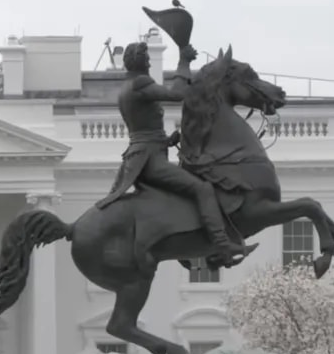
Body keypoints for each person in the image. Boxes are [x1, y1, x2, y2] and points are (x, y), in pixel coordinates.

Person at [94, 40, 257, 269]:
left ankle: (186, 248)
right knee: (202, 188)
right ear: (141, 62)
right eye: (148, 58)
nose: (150, 62)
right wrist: (184, 60)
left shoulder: (126, 86)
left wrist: (167, 141)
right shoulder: (140, 83)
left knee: (182, 193)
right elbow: (178, 94)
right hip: (149, 161)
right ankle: (223, 245)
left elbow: (142, 131)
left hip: (144, 154)